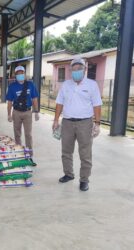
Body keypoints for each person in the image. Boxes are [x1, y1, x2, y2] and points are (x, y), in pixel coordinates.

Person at [52, 58, 102, 191]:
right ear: (70, 71)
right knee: (66, 151)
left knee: (85, 153)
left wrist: (97, 124)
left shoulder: (92, 85)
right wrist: (56, 120)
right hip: (67, 122)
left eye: (79, 69)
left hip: (85, 123)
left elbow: (97, 105)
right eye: (73, 70)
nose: (76, 72)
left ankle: (84, 180)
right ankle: (68, 174)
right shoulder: (66, 85)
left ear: (84, 70)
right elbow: (59, 103)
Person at [6, 65, 39, 166]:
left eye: (22, 73)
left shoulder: (30, 85)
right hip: (16, 112)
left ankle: (29, 157)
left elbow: (34, 99)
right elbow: (10, 102)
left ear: (25, 74)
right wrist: (9, 114)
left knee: (28, 135)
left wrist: (36, 111)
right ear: (15, 75)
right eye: (18, 74)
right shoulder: (12, 86)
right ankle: (20, 155)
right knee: (17, 134)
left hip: (28, 112)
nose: (20, 75)